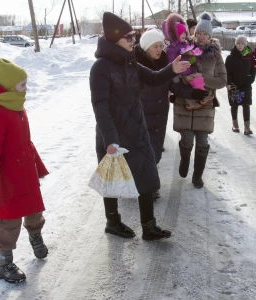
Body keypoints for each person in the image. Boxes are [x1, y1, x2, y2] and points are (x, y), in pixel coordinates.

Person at [90, 12, 190, 240]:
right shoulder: (101, 68)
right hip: (113, 132)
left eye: (134, 36)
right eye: (129, 37)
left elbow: (153, 78)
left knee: (147, 175)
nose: (133, 41)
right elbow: (100, 106)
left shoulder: (130, 62)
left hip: (137, 128)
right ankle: (112, 221)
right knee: (112, 178)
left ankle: (149, 226)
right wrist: (109, 138)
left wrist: (171, 69)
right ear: (115, 39)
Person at [0, 54, 50, 284]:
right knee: (10, 223)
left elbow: (26, 142)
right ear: (9, 86)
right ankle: (4, 264)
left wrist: (37, 165)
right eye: (22, 84)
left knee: (35, 211)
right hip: (7, 180)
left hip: (25, 173)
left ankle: (35, 236)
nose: (26, 88)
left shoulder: (17, 106)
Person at [135, 29, 209, 199]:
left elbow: (173, 87)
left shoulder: (165, 64)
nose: (159, 49)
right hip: (142, 116)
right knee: (149, 154)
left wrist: (193, 93)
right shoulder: (137, 66)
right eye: (155, 46)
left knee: (156, 154)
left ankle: (146, 185)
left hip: (160, 117)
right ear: (146, 47)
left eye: (161, 45)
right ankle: (149, 188)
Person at [173, 12, 227, 188]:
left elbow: (222, 81)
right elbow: (174, 74)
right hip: (185, 102)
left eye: (205, 34)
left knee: (202, 142)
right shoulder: (184, 49)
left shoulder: (216, 56)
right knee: (187, 140)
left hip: (205, 102)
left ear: (210, 36)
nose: (201, 37)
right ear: (194, 34)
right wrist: (185, 79)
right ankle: (184, 160)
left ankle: (197, 175)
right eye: (198, 33)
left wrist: (202, 77)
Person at [164, 13, 214, 110]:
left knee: (197, 82)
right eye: (181, 33)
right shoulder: (172, 48)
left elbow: (189, 59)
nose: (183, 35)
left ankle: (204, 96)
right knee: (188, 87)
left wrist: (195, 59)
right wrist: (176, 74)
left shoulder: (186, 44)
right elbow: (171, 62)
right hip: (181, 71)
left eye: (184, 33)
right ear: (175, 34)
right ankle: (191, 103)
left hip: (189, 69)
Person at [225, 35, 256, 135]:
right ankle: (235, 125)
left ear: (246, 44)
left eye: (242, 43)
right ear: (235, 44)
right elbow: (227, 71)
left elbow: (254, 69)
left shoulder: (250, 57)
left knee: (246, 104)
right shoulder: (231, 57)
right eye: (238, 43)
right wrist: (228, 83)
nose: (240, 45)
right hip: (234, 85)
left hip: (246, 84)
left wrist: (251, 79)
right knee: (234, 105)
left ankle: (247, 128)